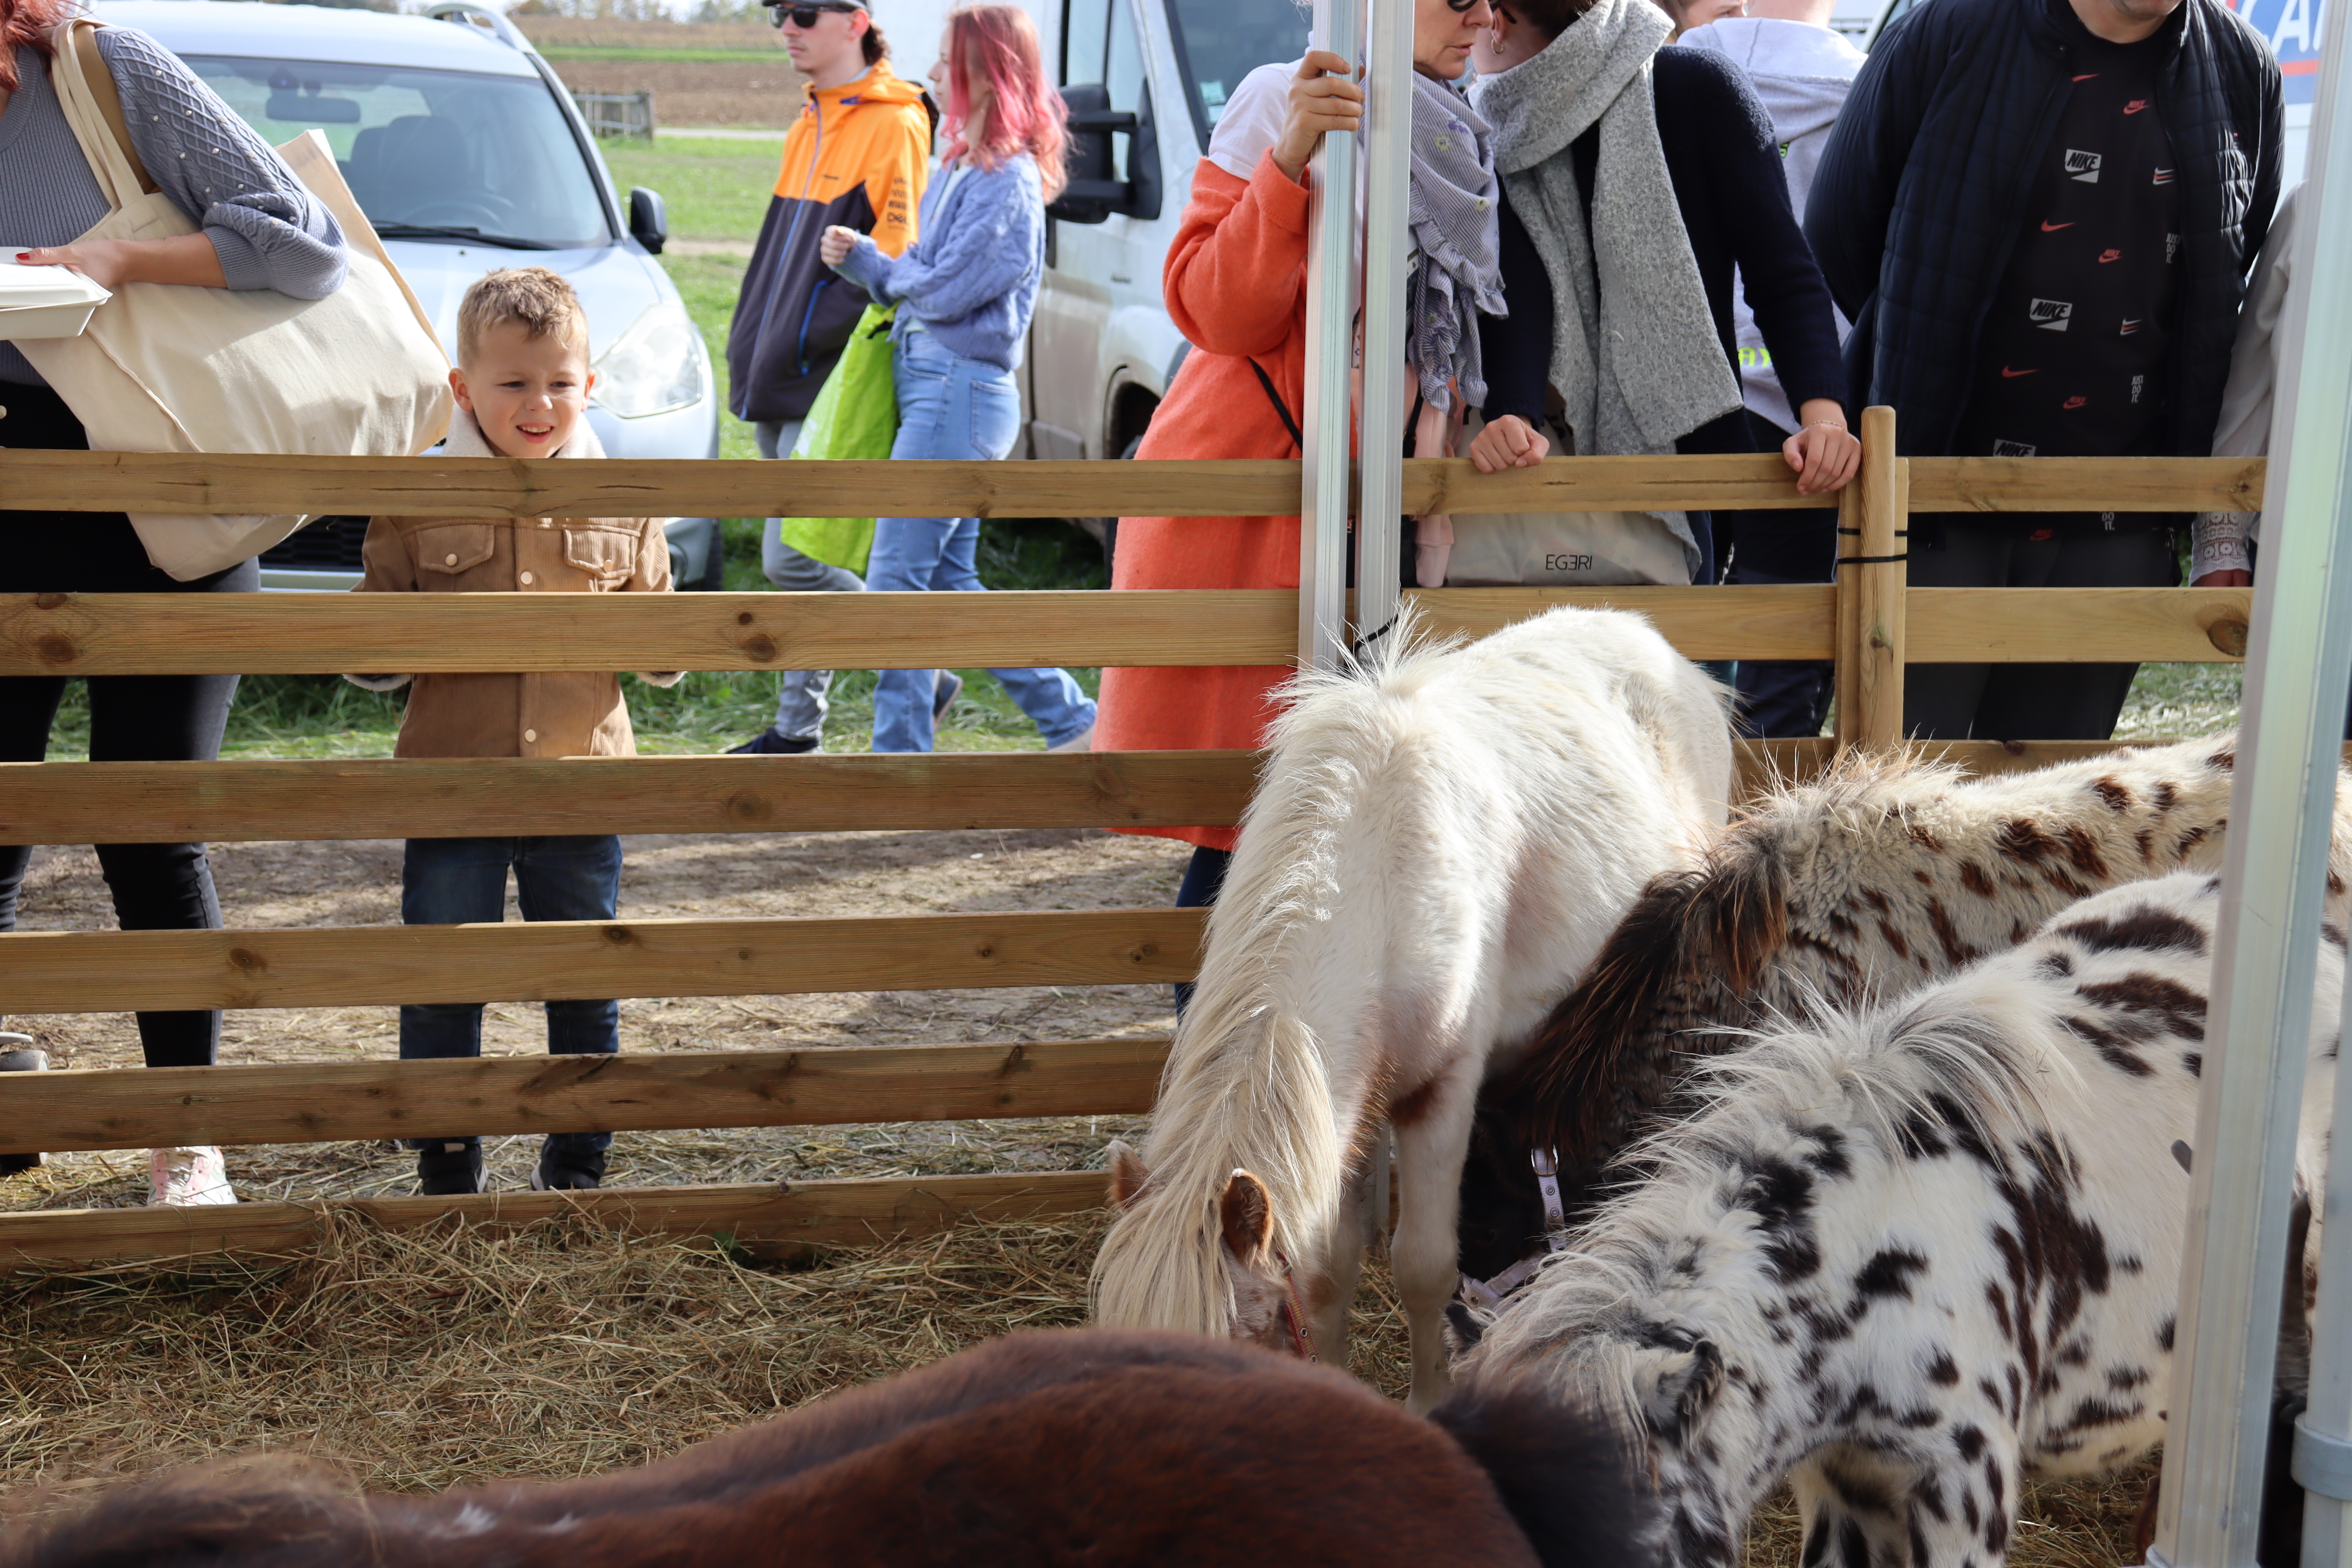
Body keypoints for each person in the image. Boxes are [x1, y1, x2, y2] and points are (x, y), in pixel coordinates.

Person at [1092, 0, 1550, 1008]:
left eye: (1493, 1)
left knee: (1345, 817)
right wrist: (1292, 156)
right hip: (1266, 499)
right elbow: (1214, 305)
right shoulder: (1278, 96)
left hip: (1377, 505)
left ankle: (1299, 1093)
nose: (1484, 16)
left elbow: (1481, 315)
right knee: (1258, 825)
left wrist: (1498, 416)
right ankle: (1217, 1095)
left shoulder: (1460, 126)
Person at [0, 0, 348, 1207]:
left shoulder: (97, 67)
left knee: (151, 825)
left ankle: (186, 1139)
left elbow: (302, 243)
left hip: (161, 476)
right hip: (4, 483)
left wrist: (117, 257)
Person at [1807, 0, 2283, 742]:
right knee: (1904, 803)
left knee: (2051, 821)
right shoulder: (1951, 29)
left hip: (2119, 519)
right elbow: (1841, 229)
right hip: (1936, 505)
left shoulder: (2242, 70)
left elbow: (2230, 266)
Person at [347, 269, 677, 1197]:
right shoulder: (415, 494)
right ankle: (447, 1151)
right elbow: (372, 651)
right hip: (455, 787)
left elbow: (663, 645)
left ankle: (579, 1153)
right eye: (513, 383)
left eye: (561, 383)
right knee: (444, 968)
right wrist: (369, 641)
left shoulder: (629, 492)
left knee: (584, 969)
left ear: (591, 386)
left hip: (585, 786)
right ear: (463, 388)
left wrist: (679, 634)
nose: (541, 405)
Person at [1469, 0, 1860, 590]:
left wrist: (1823, 411)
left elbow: (1779, 270)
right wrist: (1512, 413)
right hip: (1536, 466)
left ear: (1496, 21)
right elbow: (1518, 296)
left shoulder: (1685, 88)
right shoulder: (1481, 129)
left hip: (1686, 473)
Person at [818, 4, 1097, 755]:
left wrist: (882, 268)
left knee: (896, 582)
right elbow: (925, 281)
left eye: (947, 60)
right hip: (940, 390)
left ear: (986, 72)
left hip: (958, 393)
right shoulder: (964, 170)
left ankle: (898, 755)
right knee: (945, 582)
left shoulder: (1004, 183)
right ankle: (1074, 722)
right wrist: (881, 269)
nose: (935, 73)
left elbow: (943, 290)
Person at [725, 0, 933, 757]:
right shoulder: (807, 120)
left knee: (795, 556)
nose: (788, 27)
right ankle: (798, 727)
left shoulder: (897, 121)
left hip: (829, 374)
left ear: (858, 20)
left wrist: (821, 344)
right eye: (778, 13)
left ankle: (911, 664)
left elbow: (896, 266)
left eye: (806, 12)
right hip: (774, 366)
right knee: (795, 559)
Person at [1679, 0, 1866, 737]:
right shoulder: (1868, 87)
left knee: (1668, 627)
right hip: (1815, 407)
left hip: (1690, 396)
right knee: (1786, 657)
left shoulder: (1658, 77)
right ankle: (1768, 834)